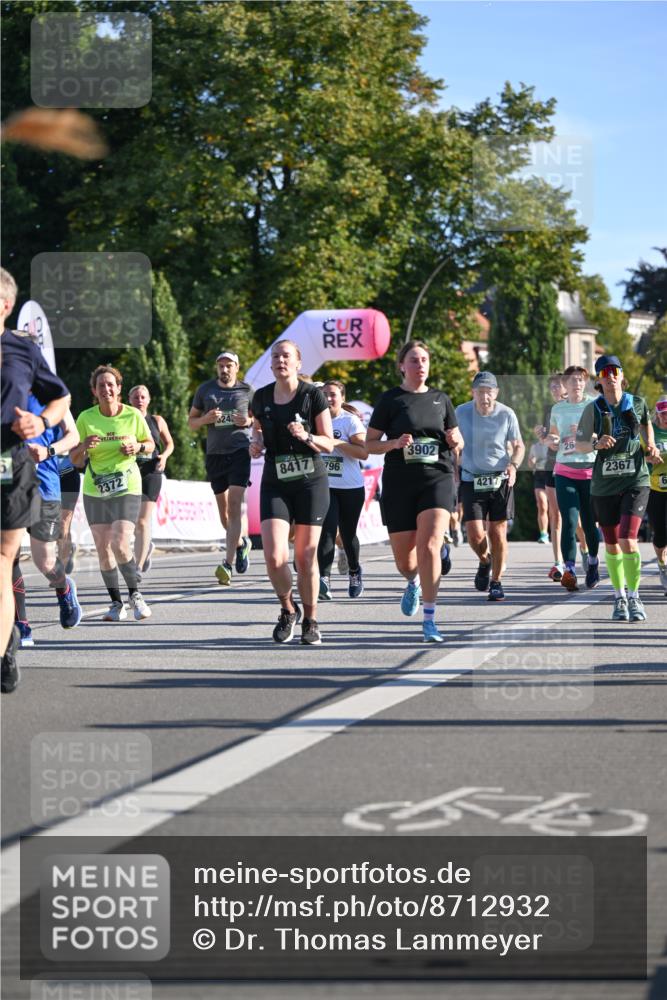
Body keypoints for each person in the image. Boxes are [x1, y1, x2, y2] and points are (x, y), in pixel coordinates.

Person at [1, 266, 71, 692]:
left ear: (5, 305)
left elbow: (60, 397)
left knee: (4, 560)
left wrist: (41, 422)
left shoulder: (21, 350)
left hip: (8, 462)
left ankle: (4, 649)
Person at [366, 340, 462, 642]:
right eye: (414, 360)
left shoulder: (441, 399)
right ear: (401, 366)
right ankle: (414, 582)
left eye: (424, 360)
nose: (420, 365)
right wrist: (394, 443)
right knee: (406, 563)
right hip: (400, 482)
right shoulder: (390, 400)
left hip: (437, 478)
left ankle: (430, 620)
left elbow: (457, 441)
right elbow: (369, 445)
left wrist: (456, 441)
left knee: (429, 546)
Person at [249, 339, 334, 644]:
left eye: (286, 356)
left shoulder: (312, 396)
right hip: (276, 481)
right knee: (274, 557)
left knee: (306, 557)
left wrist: (307, 435)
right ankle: (288, 609)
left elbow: (328, 442)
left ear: (298, 363)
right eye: (275, 356)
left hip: (310, 482)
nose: (280, 360)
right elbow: (258, 430)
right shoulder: (260, 397)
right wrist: (256, 444)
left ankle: (311, 619)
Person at [575, 355, 660, 622]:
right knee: (611, 545)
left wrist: (650, 445)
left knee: (628, 539)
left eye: (614, 370)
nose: (610, 375)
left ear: (622, 375)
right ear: (599, 380)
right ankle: (619, 596)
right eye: (604, 372)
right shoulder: (593, 409)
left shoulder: (637, 403)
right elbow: (579, 444)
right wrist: (596, 444)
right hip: (604, 486)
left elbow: (646, 425)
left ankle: (634, 596)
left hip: (635, 480)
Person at [70, 365, 155, 622]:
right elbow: (74, 460)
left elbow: (150, 445)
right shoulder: (85, 418)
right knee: (103, 547)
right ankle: (116, 603)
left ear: (118, 389)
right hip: (95, 488)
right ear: (94, 391)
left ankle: (135, 595)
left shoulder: (132, 415)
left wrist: (137, 446)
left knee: (119, 542)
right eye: (101, 385)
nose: (106, 389)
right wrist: (83, 447)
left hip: (127, 485)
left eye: (110, 384)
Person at [12, 395, 82, 647]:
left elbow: (73, 436)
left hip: (44, 488)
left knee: (45, 562)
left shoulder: (51, 392)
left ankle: (64, 589)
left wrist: (48, 450)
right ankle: (21, 625)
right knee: (7, 558)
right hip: (8, 487)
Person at [455, 371, 524, 602]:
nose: (485, 397)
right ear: (473, 392)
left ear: (496, 393)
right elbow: (452, 443)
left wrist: (513, 465)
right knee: (475, 534)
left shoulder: (506, 414)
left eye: (489, 392)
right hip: (471, 478)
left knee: (497, 532)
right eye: (480, 392)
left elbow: (518, 446)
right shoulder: (461, 412)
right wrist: (453, 468)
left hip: (500, 479)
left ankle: (496, 581)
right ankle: (485, 561)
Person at [189, 351, 253, 586]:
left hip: (240, 452)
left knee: (235, 506)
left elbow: (259, 420)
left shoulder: (247, 391)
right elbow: (191, 423)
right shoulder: (205, 390)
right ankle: (241, 543)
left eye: (229, 365)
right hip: (215, 455)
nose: (224, 370)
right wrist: (205, 419)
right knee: (224, 517)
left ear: (237, 367)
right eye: (220, 366)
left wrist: (248, 421)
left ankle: (227, 563)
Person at [547, 365, 600, 591]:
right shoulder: (558, 409)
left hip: (589, 471)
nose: (577, 383)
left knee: (588, 522)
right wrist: (550, 440)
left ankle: (593, 562)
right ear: (565, 384)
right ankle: (569, 570)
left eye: (580, 380)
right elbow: (554, 435)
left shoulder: (594, 405)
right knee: (568, 521)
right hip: (564, 471)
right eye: (572, 380)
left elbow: (602, 434)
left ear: (585, 383)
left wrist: (584, 433)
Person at [317, 381, 368, 600]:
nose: (328, 399)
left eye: (333, 394)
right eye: (324, 394)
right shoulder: (314, 420)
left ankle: (354, 571)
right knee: (327, 531)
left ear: (342, 398)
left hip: (350, 487)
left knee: (347, 534)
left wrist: (336, 443)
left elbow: (363, 453)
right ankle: (324, 579)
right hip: (325, 486)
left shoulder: (350, 421)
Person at [128, 385, 174, 576]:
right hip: (129, 473)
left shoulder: (157, 420)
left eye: (143, 397)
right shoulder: (125, 420)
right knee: (130, 522)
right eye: (136, 397)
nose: (139, 400)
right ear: (129, 400)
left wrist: (164, 456)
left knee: (142, 521)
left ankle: (137, 567)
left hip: (151, 472)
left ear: (148, 400)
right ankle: (145, 548)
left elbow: (169, 443)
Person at [535, 373, 567, 580]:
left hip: (572, 464)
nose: (554, 389)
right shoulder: (549, 409)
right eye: (552, 386)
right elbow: (547, 440)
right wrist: (542, 437)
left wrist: (561, 441)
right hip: (551, 463)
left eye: (558, 385)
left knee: (575, 520)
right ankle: (558, 562)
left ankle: (586, 553)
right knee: (556, 515)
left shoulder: (576, 407)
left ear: (566, 387)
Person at [647, 395, 667, 595]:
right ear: (658, 414)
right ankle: (662, 565)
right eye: (663, 414)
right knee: (660, 532)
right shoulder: (651, 432)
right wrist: (649, 458)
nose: (666, 417)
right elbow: (637, 455)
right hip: (654, 488)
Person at [528, 432, 551, 544]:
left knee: (555, 508)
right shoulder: (534, 447)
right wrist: (531, 462)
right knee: (542, 505)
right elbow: (530, 463)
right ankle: (544, 534)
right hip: (539, 476)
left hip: (552, 475)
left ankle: (558, 531)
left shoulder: (553, 443)